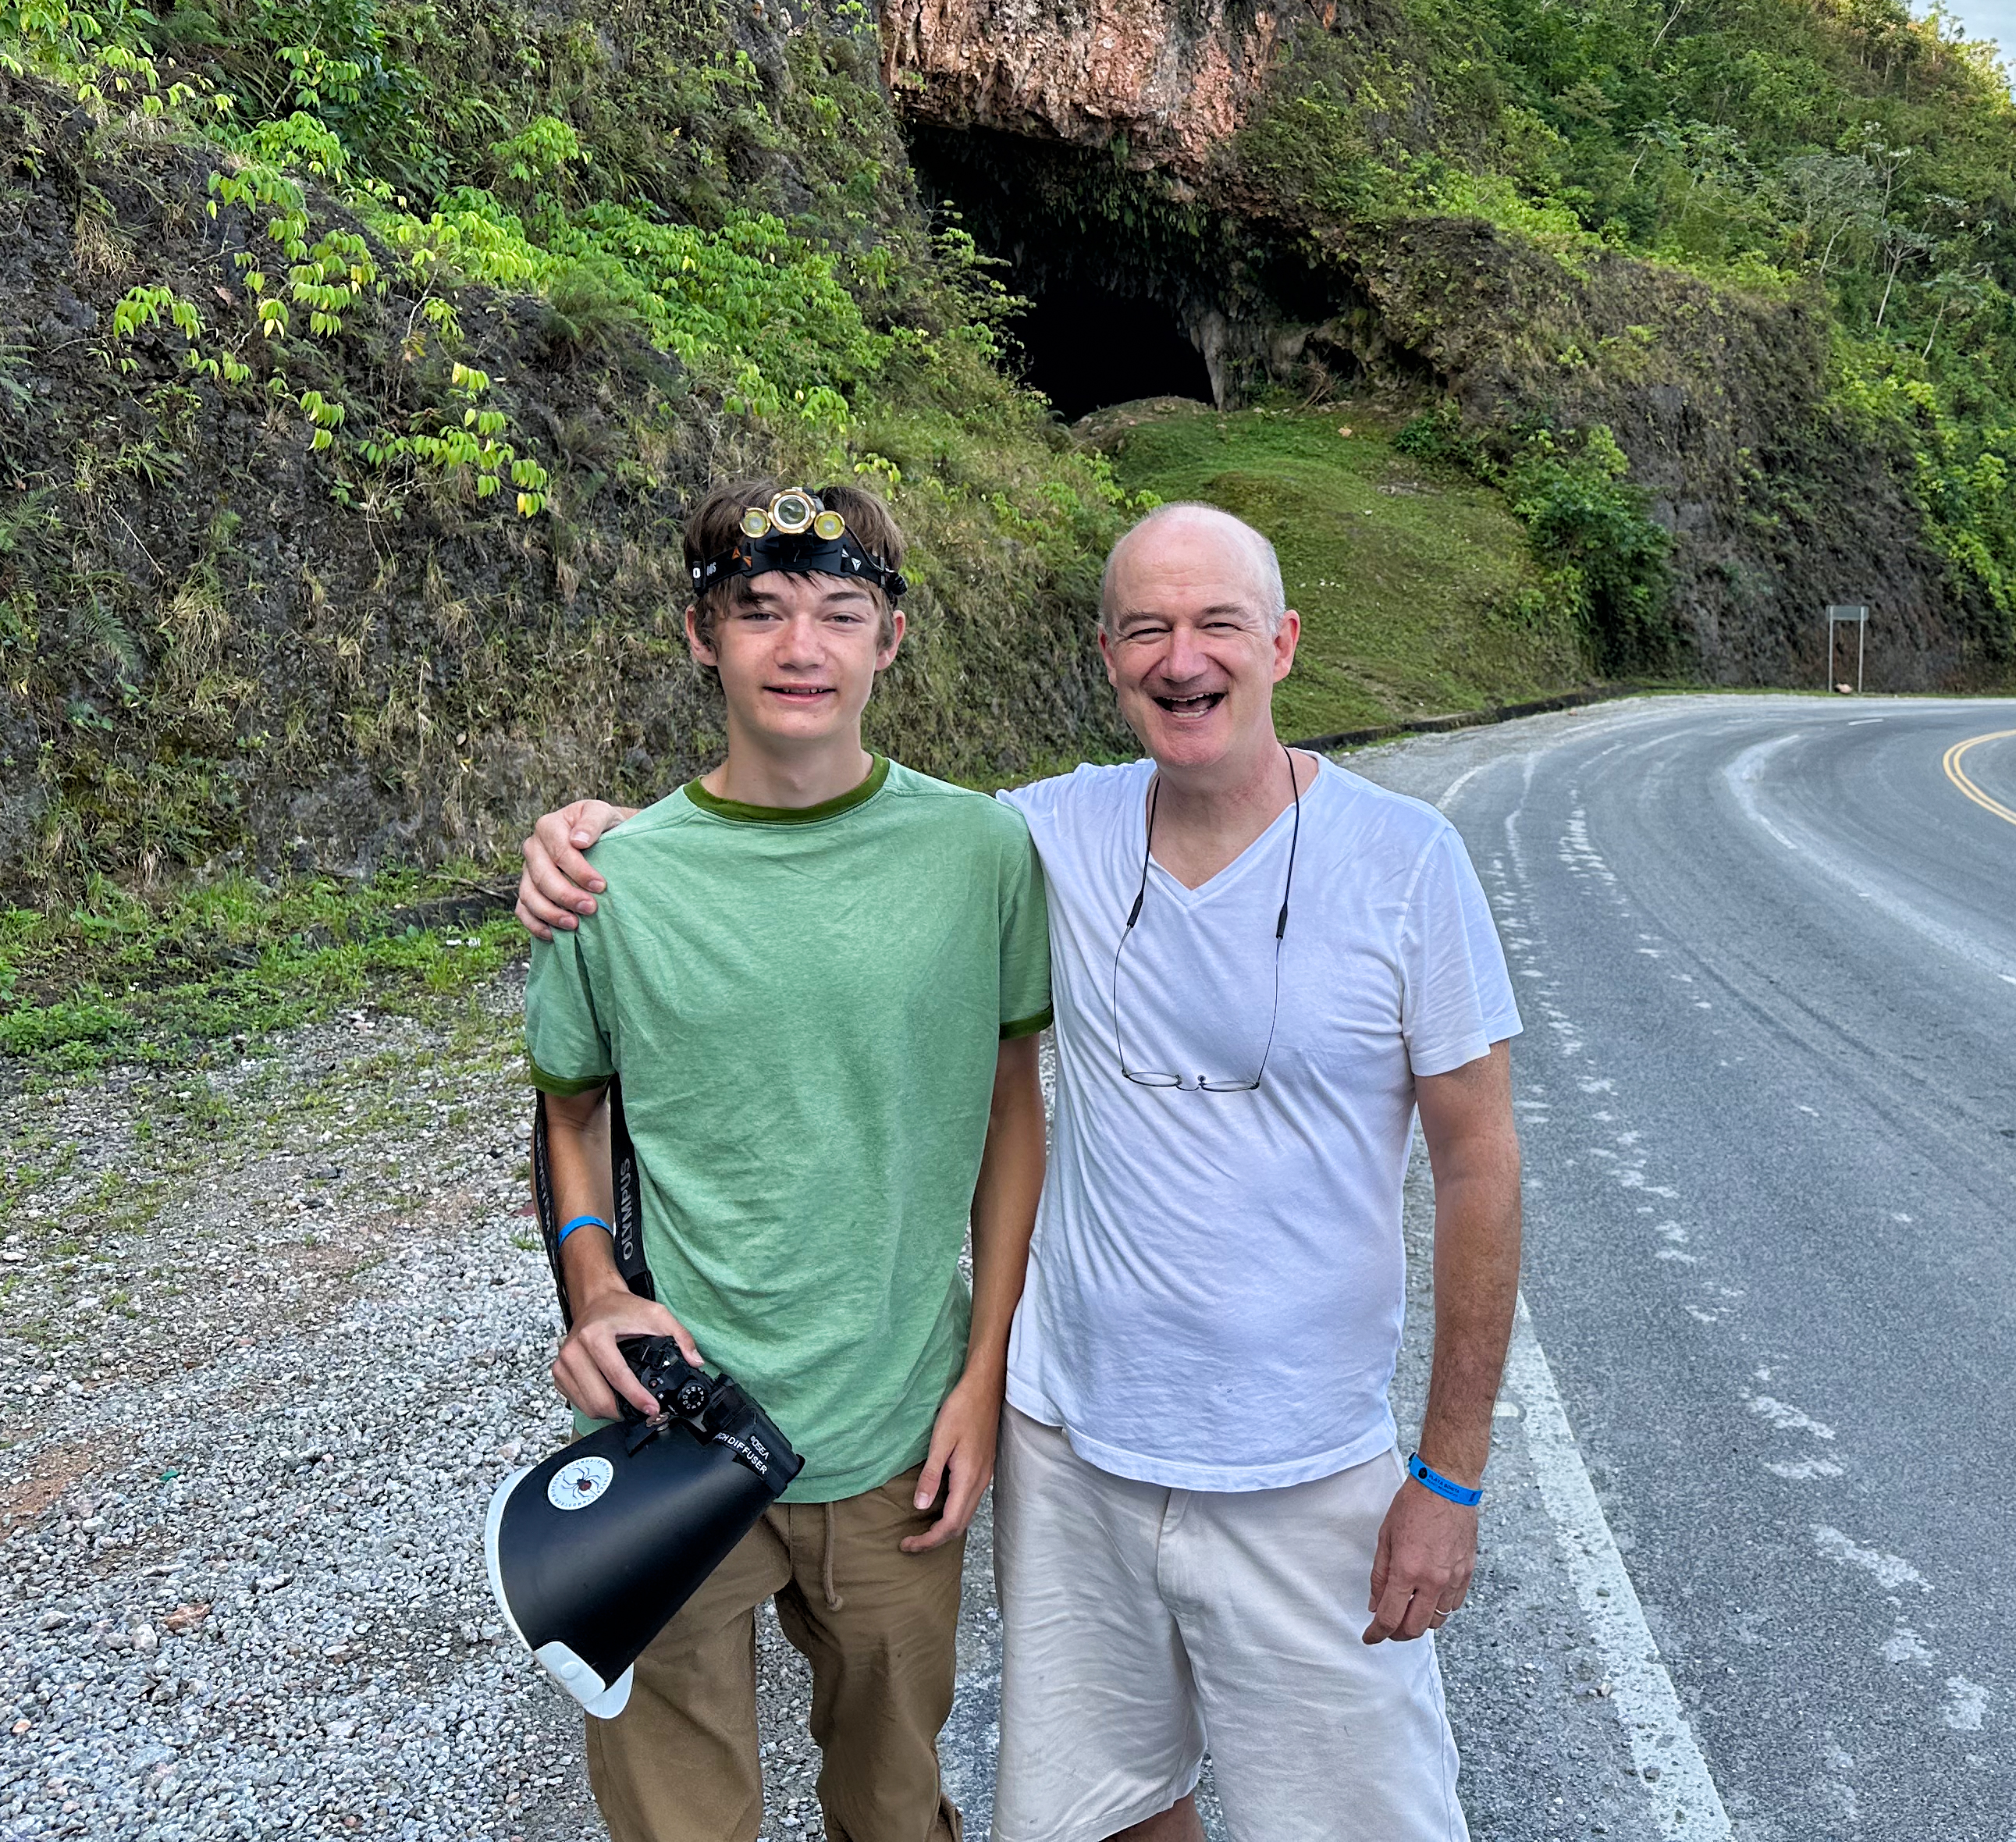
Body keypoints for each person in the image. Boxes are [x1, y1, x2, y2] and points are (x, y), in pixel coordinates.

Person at [518, 500, 1525, 1842]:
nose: (1184, 660)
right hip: (1020, 1453)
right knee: (1099, 1807)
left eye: (1219, 623)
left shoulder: (1372, 861)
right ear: (1105, 655)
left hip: (1266, 1462)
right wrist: (596, 839)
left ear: (1282, 641)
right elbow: (610, 1054)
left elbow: (1477, 1167)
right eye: (1148, 629)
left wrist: (1450, 1478)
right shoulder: (1019, 838)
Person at [524, 477, 1053, 1842]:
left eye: (840, 610)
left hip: (897, 1428)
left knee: (892, 1801)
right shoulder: (611, 880)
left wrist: (982, 1377)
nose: (799, 646)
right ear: (703, 638)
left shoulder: (981, 854)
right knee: (676, 1821)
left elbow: (1011, 1106)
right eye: (758, 610)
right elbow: (573, 1112)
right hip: (667, 1433)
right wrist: (595, 1297)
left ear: (890, 639)